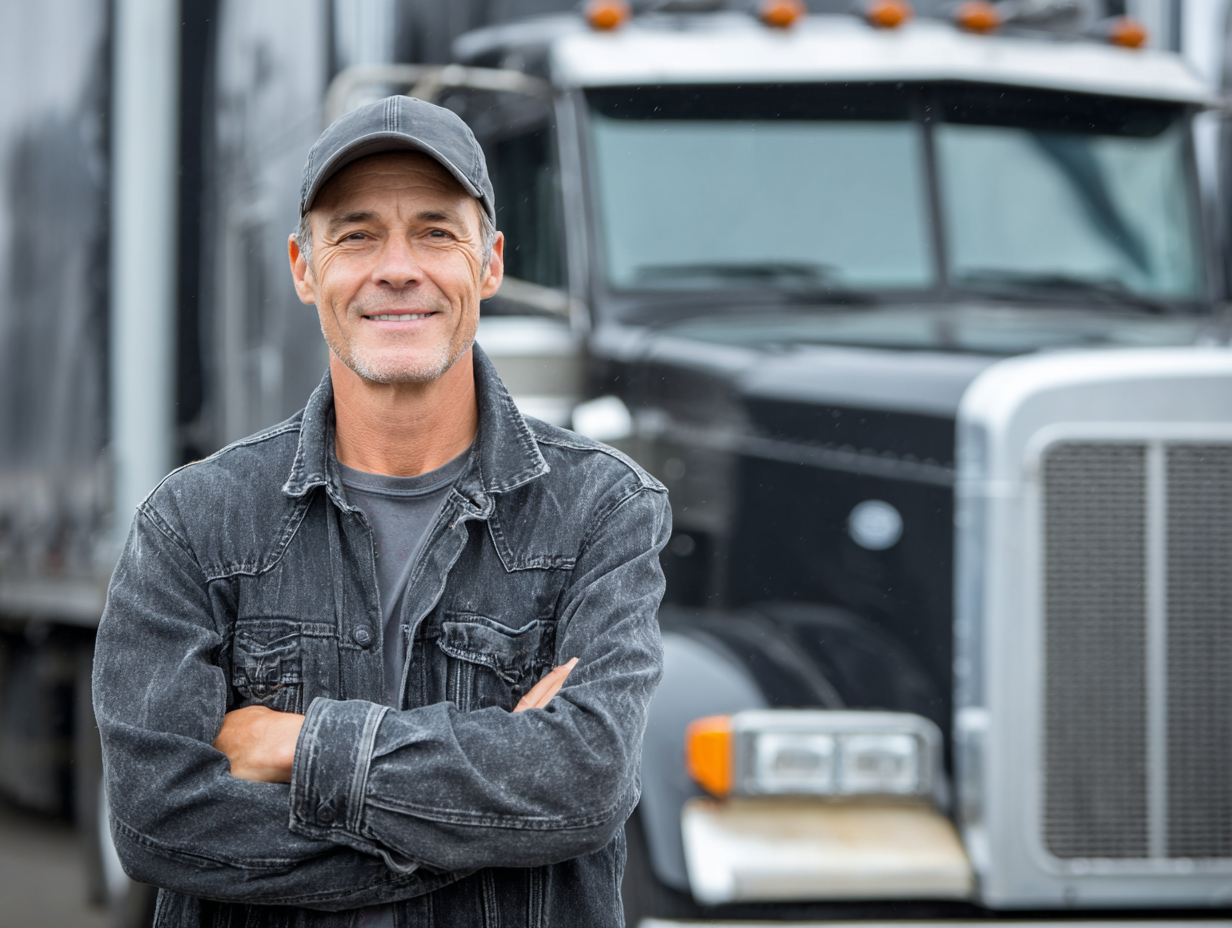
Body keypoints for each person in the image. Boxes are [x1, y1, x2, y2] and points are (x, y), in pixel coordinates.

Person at [93, 95, 670, 928]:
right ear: (302, 267)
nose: (397, 267)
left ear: (491, 262)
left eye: (436, 231)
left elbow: (585, 784)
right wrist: (473, 830)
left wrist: (296, 746)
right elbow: (158, 824)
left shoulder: (602, 511)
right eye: (357, 234)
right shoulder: (192, 524)